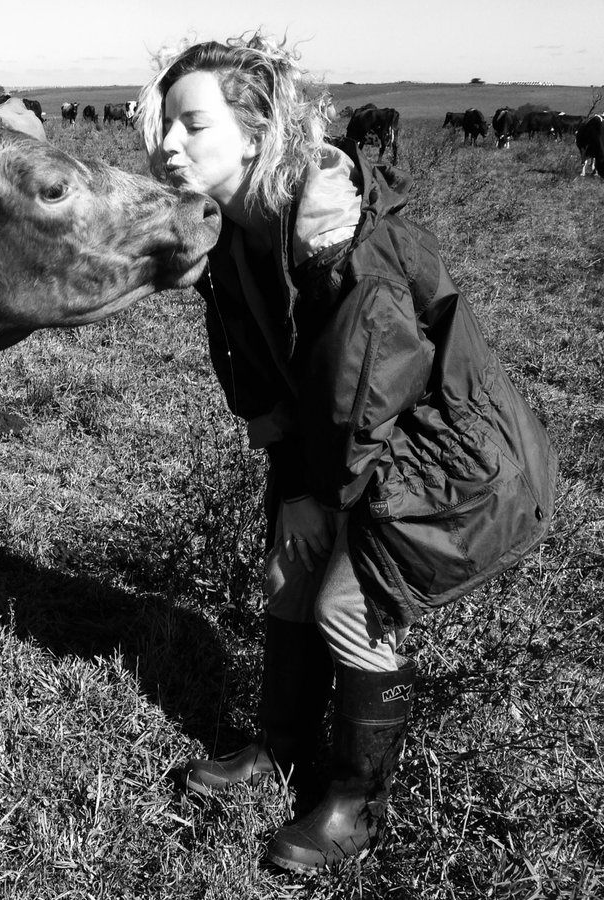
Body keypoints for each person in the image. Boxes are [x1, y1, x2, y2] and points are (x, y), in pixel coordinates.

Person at [138, 34, 556, 872]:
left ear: (255, 133)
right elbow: (277, 391)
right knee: (288, 572)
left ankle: (356, 805)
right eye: (164, 128)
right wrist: (298, 494)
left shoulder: (339, 240)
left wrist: (321, 500)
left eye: (193, 125)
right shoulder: (238, 235)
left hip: (458, 457)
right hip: (363, 446)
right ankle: (283, 749)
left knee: (342, 606)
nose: (168, 146)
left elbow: (364, 396)